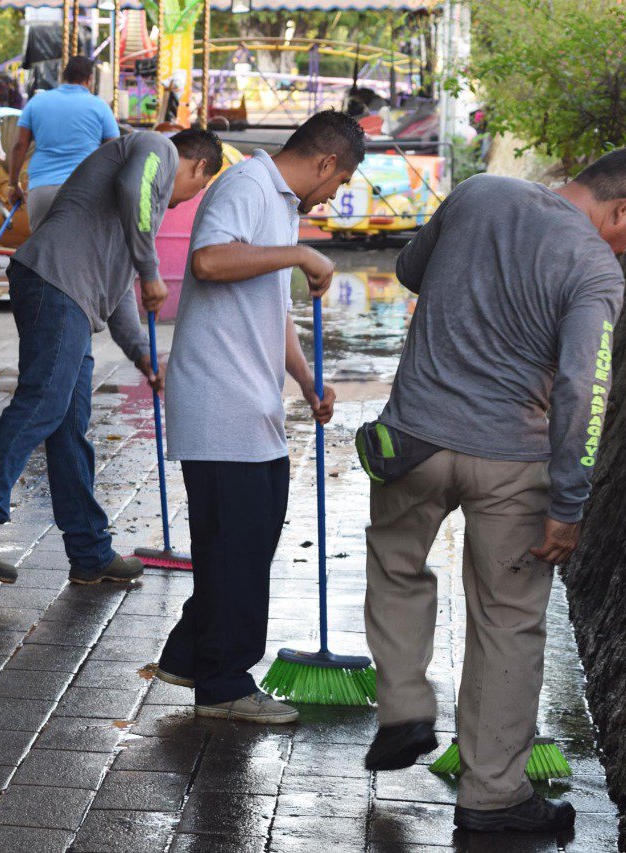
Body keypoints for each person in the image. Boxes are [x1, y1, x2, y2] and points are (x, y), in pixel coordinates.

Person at [362, 148, 626, 833]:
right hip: (512, 460)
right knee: (507, 620)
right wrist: (569, 502)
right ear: (625, 210)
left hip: (414, 438)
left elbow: (410, 271)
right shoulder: (594, 268)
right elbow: (584, 391)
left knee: (395, 566)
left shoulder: (479, 193)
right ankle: (492, 795)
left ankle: (406, 706)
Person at [0, 129, 222, 586]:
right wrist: (152, 270)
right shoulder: (158, 149)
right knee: (41, 405)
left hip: (67, 295)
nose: (184, 200)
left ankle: (90, 551)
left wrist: (146, 358)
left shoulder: (132, 219)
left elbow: (119, 299)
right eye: (198, 190)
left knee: (69, 429)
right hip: (55, 285)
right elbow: (136, 189)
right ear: (199, 168)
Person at [154, 112, 363, 725]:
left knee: (244, 540)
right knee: (238, 545)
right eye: (340, 181)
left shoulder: (281, 204)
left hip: (251, 402)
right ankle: (224, 685)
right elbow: (209, 263)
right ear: (325, 163)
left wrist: (306, 379)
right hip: (221, 401)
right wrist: (298, 254)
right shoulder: (248, 185)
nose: (333, 195)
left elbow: (267, 310)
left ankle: (192, 654)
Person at [6, 56, 119, 228]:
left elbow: (19, 146)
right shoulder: (100, 107)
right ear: (90, 79)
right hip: (83, 191)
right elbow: (114, 150)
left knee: (42, 251)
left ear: (62, 76)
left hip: (41, 190)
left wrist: (13, 185)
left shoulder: (36, 103)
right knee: (79, 250)